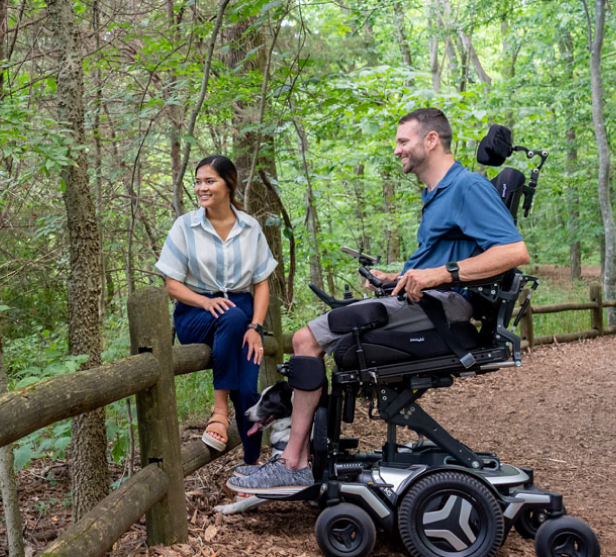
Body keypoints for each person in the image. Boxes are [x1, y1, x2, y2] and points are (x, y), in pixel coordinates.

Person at [227, 108, 531, 495]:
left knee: (306, 340)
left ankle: (294, 464)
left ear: (431, 140)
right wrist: (399, 277)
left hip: (446, 307)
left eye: (403, 141)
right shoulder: (437, 193)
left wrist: (438, 275)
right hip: (433, 300)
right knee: (327, 332)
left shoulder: (466, 187)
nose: (396, 150)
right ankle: (300, 458)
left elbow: (514, 252)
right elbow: (443, 255)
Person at [155, 155, 278, 466]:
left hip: (243, 316)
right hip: (197, 314)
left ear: (229, 184)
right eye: (198, 182)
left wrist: (256, 327)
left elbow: (261, 283)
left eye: (209, 181)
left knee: (249, 394)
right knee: (231, 314)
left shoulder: (250, 227)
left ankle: (251, 469)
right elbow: (172, 284)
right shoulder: (185, 226)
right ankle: (219, 411)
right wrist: (206, 302)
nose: (201, 188)